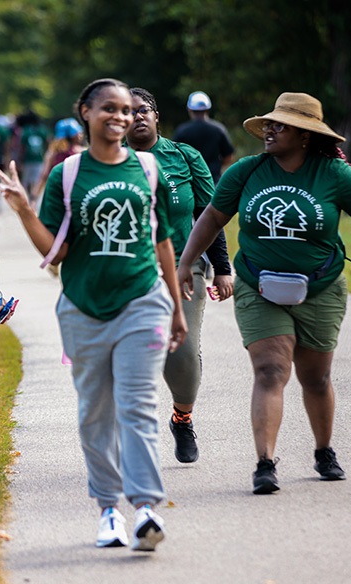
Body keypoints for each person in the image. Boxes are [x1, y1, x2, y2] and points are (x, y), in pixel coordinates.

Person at [0, 78, 187, 552]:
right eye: (109, 109)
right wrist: (22, 209)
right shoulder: (68, 174)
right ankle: (108, 511)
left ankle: (144, 509)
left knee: (138, 407)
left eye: (126, 110)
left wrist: (177, 305)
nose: (120, 117)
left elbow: (160, 239)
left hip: (143, 301)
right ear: (85, 112)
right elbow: (55, 253)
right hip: (83, 308)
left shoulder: (147, 167)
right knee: (95, 415)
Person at [175, 92, 351, 495]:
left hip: (321, 288)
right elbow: (212, 216)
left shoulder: (335, 174)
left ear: (306, 135)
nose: (270, 130)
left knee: (316, 377)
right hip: (258, 285)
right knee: (270, 370)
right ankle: (264, 463)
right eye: (269, 124)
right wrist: (186, 261)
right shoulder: (246, 171)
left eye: (281, 125)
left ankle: (324, 450)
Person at [125, 87, 234, 464]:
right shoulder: (105, 161)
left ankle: (182, 418)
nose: (137, 117)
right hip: (124, 273)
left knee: (182, 355)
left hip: (185, 270)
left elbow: (210, 213)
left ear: (156, 116)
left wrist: (222, 267)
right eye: (129, 111)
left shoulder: (184, 157)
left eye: (144, 110)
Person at [173, 91, 235, 184]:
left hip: (190, 181)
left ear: (189, 109)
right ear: (208, 109)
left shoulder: (182, 131)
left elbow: (173, 157)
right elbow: (229, 156)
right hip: (213, 180)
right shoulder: (218, 129)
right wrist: (216, 165)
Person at [33, 117, 87, 203]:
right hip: (76, 194)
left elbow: (44, 175)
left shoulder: (53, 152)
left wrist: (34, 196)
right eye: (78, 132)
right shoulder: (81, 152)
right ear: (73, 135)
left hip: (56, 193)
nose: (80, 134)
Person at [15, 109, 50, 203]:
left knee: (27, 181)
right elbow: (47, 143)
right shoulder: (42, 130)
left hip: (28, 159)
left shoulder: (26, 130)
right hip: (38, 159)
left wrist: (19, 159)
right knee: (36, 180)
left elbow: (22, 146)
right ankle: (34, 198)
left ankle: (31, 197)